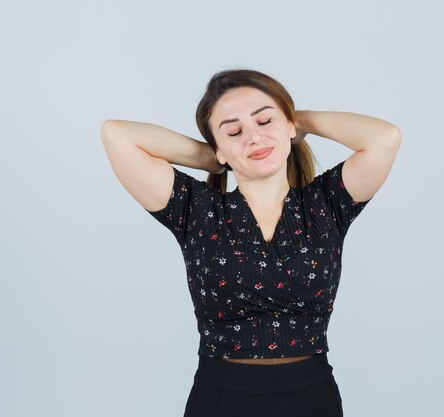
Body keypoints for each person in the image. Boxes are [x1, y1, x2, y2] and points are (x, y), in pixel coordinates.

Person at [100, 69, 400, 417]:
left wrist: (295, 123)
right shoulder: (197, 211)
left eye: (265, 121)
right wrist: (214, 157)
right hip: (221, 399)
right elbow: (116, 134)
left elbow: (385, 138)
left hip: (312, 398)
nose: (254, 138)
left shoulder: (326, 204)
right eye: (234, 131)